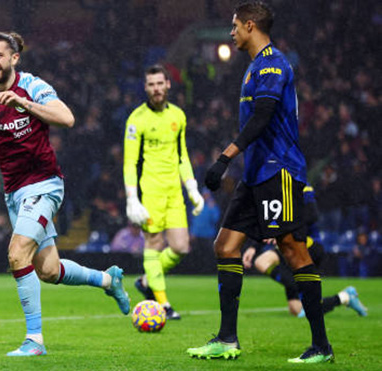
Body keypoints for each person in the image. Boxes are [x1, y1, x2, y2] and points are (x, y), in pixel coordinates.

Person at [0, 31, 130, 357]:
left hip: (45, 184)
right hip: (14, 192)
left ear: (14, 58)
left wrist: (24, 103)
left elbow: (68, 118)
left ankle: (35, 341)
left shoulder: (32, 86)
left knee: (17, 254)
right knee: (48, 270)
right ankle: (107, 280)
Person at [187, 1, 333, 363]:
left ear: (251, 25)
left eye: (235, 26)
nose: (231, 32)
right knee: (225, 245)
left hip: (278, 170)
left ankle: (321, 346)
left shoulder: (271, 64)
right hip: (255, 175)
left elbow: (263, 118)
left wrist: (224, 158)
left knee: (292, 250)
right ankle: (227, 338)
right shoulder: (255, 66)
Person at [123, 64, 204, 319]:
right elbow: (129, 162)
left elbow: (182, 155)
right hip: (151, 192)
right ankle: (163, 303)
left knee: (180, 247)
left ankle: (147, 280)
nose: (156, 89)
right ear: (146, 88)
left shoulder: (178, 116)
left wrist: (192, 187)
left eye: (160, 83)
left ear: (168, 84)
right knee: (154, 244)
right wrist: (132, 199)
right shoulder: (137, 120)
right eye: (151, 84)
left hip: (174, 193)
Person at [242, 185, 368, 317]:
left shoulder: (302, 187)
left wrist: (282, 230)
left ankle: (295, 284)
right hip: (289, 246)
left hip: (309, 246)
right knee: (298, 310)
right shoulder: (275, 193)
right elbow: (267, 223)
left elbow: (311, 215)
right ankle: (344, 297)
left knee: (262, 261)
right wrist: (253, 247)